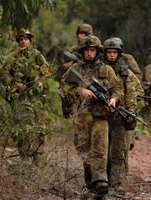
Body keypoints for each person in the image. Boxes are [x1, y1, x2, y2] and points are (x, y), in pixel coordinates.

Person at [61, 35, 123, 199]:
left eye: (93, 50)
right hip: (82, 116)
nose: (90, 53)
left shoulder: (106, 70)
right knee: (84, 150)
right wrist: (81, 91)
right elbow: (64, 86)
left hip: (100, 116)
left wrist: (113, 100)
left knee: (100, 149)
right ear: (83, 51)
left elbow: (118, 89)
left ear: (97, 51)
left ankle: (101, 181)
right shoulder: (76, 69)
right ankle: (91, 183)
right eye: (87, 50)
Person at [0, 29, 50, 166]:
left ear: (30, 41)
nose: (23, 41)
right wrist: (16, 84)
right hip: (21, 97)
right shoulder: (13, 57)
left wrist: (39, 83)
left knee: (39, 127)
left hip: (36, 98)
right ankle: (24, 159)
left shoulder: (37, 56)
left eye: (26, 39)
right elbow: (2, 73)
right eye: (20, 39)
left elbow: (46, 73)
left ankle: (40, 160)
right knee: (22, 128)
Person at [103, 38, 140, 189]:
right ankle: (101, 182)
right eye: (109, 52)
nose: (111, 55)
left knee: (118, 151)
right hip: (100, 115)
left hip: (119, 115)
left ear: (119, 54)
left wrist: (130, 110)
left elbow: (132, 92)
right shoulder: (99, 69)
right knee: (101, 150)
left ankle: (116, 183)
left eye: (114, 52)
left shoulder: (126, 73)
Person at [58, 23, 94, 118]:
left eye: (83, 33)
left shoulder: (94, 49)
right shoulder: (74, 49)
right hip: (75, 82)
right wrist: (75, 63)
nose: (80, 36)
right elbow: (64, 66)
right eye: (79, 33)